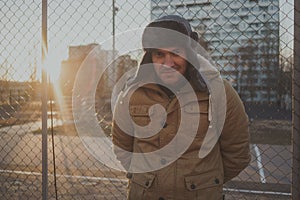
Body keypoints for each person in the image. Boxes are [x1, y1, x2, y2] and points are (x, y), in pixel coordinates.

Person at [111, 15, 251, 200]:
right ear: (150, 57)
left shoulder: (218, 92)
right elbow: (122, 146)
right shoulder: (132, 93)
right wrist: (145, 177)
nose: (168, 63)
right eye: (159, 54)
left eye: (176, 52)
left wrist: (204, 182)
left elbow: (237, 152)